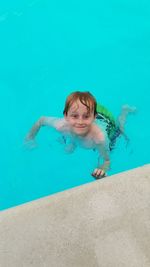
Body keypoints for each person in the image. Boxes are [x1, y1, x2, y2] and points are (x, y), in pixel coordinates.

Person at [25, 91, 136, 179]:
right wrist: (30, 137)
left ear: (93, 117)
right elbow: (41, 120)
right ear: (66, 116)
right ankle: (73, 141)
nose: (80, 122)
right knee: (67, 149)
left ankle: (125, 111)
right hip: (87, 116)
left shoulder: (99, 138)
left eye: (86, 117)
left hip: (107, 122)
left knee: (120, 130)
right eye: (74, 116)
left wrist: (102, 169)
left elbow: (107, 160)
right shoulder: (61, 125)